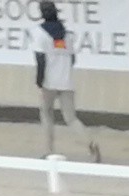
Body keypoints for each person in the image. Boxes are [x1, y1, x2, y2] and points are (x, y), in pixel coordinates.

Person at [29, 0, 100, 162]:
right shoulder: (67, 35)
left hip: (49, 81)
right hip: (66, 81)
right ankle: (91, 143)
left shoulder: (39, 33)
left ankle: (49, 150)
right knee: (71, 118)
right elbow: (73, 58)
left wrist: (39, 80)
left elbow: (40, 60)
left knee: (46, 114)